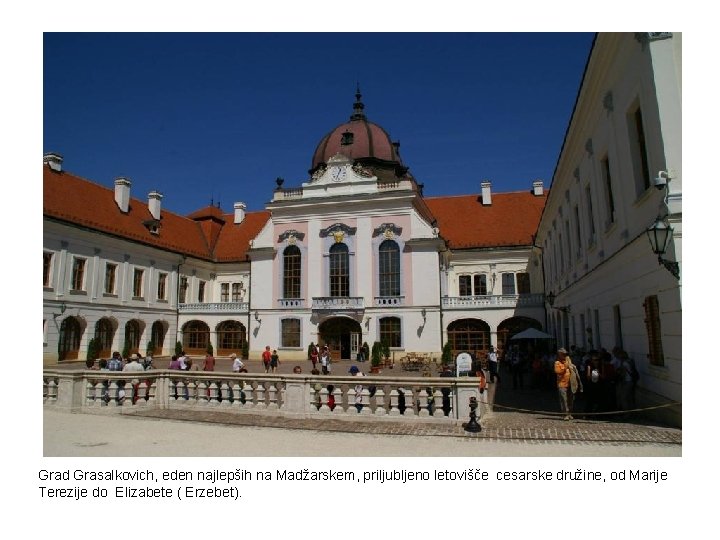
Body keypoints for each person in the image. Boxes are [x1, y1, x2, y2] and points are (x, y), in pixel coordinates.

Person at [554, 348, 575, 421]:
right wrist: (566, 366)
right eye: (563, 354)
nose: (565, 355)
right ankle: (565, 414)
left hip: (570, 384)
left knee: (571, 399)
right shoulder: (557, 363)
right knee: (564, 400)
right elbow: (558, 371)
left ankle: (570, 413)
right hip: (562, 384)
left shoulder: (568, 361)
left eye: (565, 354)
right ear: (559, 355)